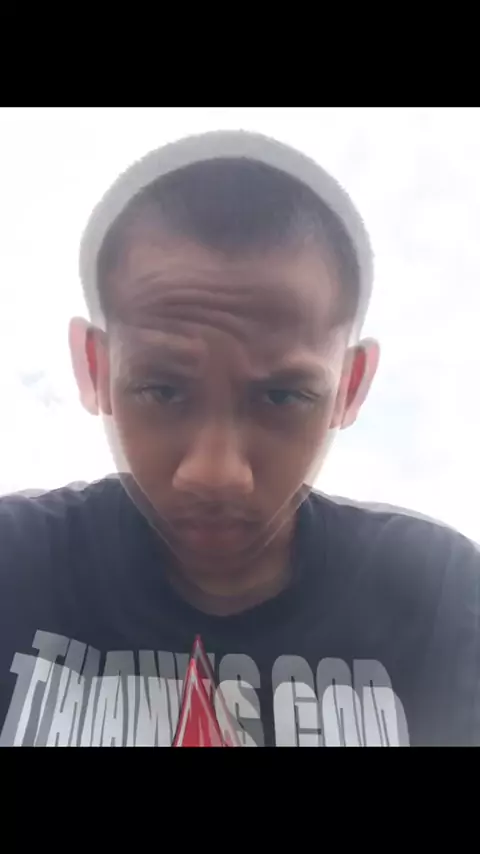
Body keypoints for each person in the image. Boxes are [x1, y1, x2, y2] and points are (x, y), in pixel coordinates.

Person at [0, 130, 478, 748]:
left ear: (350, 387)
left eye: (282, 397)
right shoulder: (14, 567)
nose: (215, 473)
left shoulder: (444, 599)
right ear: (95, 369)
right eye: (161, 390)